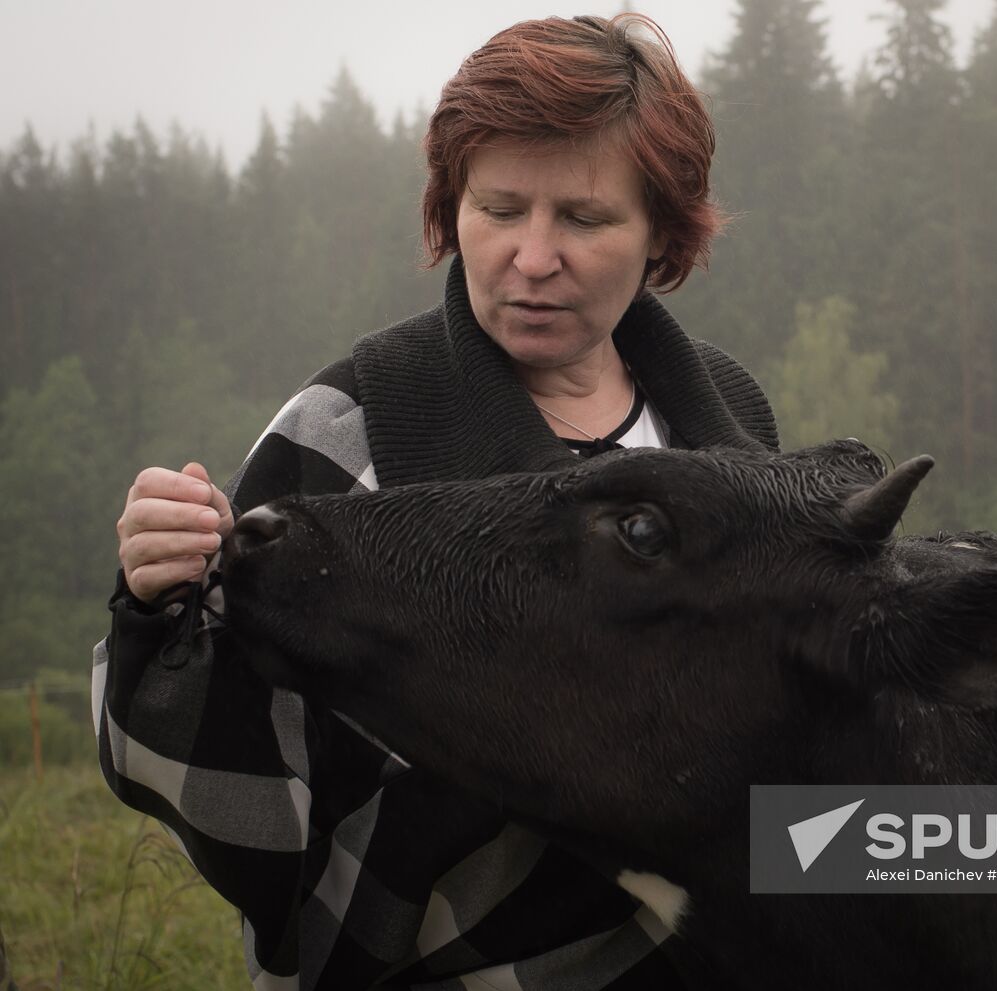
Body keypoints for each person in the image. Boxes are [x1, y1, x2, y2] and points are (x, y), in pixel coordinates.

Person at [95, 14, 778, 989]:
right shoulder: (341, 432)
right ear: (450, 206)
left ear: (662, 228)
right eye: (500, 209)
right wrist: (158, 606)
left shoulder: (725, 420)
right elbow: (249, 790)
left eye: (582, 218)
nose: (531, 258)